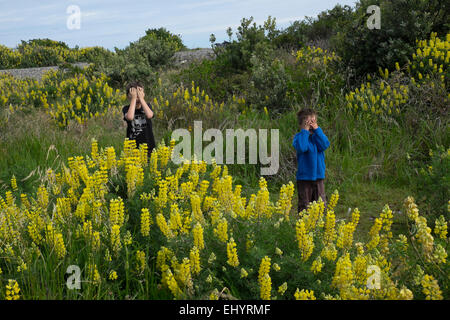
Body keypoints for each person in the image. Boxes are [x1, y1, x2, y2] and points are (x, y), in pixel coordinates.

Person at [292, 108, 330, 214]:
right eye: (309, 123)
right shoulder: (298, 137)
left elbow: (325, 144)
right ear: (302, 124)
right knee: (305, 205)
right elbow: (302, 147)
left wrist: (317, 129)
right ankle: (303, 228)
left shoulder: (317, 137)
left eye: (313, 122)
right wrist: (305, 131)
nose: (311, 125)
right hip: (304, 178)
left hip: (318, 177)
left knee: (320, 204)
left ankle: (320, 227)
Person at [122, 82, 156, 158]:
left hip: (148, 144)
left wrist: (141, 99)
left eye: (139, 94)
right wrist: (134, 99)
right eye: (134, 95)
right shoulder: (126, 109)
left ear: (143, 94)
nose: (137, 97)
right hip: (132, 146)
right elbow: (130, 117)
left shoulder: (147, 106)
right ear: (128, 97)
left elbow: (149, 115)